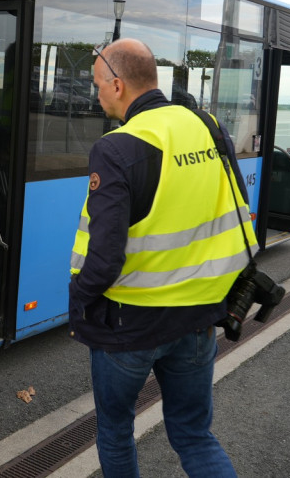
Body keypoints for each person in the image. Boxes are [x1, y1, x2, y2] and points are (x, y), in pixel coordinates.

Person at [69, 38, 252, 477]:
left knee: (115, 431)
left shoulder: (118, 147)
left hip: (129, 321)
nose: (96, 95)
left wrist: (78, 298)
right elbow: (238, 211)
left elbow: (105, 254)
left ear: (117, 85)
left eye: (97, 85)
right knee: (194, 435)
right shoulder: (207, 126)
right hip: (198, 320)